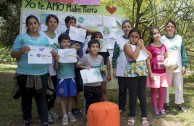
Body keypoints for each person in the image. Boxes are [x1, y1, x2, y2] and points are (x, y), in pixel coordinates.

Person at [11, 15, 53, 126]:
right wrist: (20, 50)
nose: (33, 25)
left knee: (41, 98)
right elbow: (12, 53)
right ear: (27, 26)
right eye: (30, 23)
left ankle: (44, 121)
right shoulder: (21, 38)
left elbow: (49, 51)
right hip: (24, 73)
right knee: (26, 97)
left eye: (35, 23)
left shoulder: (44, 38)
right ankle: (27, 119)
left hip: (41, 73)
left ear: (39, 25)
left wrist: (52, 53)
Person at [61, 15, 94, 117]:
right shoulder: (64, 35)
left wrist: (82, 28)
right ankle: (67, 109)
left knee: (78, 87)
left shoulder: (79, 33)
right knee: (67, 87)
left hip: (79, 64)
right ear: (66, 24)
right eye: (70, 23)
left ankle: (76, 107)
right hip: (68, 66)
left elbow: (94, 32)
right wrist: (71, 47)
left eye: (74, 23)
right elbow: (61, 49)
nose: (73, 25)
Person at [124, 29, 151, 126]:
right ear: (129, 37)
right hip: (131, 75)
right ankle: (132, 116)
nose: (134, 39)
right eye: (132, 36)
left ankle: (144, 117)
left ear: (139, 38)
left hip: (142, 74)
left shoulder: (141, 46)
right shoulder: (127, 45)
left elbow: (150, 56)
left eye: (136, 37)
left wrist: (142, 46)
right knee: (133, 96)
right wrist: (139, 46)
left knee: (142, 96)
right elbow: (133, 57)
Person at [160, 19, 188, 112]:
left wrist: (184, 65)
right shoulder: (162, 39)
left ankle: (179, 104)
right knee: (166, 86)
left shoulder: (180, 38)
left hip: (178, 66)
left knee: (179, 86)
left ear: (175, 29)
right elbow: (159, 53)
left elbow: (183, 52)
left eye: (172, 27)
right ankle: (166, 104)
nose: (170, 28)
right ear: (165, 28)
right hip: (167, 67)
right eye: (168, 27)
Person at [146, 27, 171, 117]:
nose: (157, 35)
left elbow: (166, 58)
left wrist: (170, 63)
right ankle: (155, 108)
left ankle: (161, 107)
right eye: (155, 33)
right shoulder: (150, 47)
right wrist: (150, 73)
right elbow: (148, 61)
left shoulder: (164, 46)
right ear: (152, 36)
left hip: (163, 72)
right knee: (154, 91)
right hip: (154, 73)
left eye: (158, 33)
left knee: (162, 91)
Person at [77, 39, 104, 122]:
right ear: (89, 48)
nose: (95, 48)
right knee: (89, 102)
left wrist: (102, 70)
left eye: (97, 47)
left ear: (99, 48)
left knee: (97, 101)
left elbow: (102, 68)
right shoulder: (85, 56)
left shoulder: (101, 57)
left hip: (98, 84)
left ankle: (96, 117)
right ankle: (89, 119)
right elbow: (78, 65)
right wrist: (86, 67)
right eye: (93, 47)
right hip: (88, 85)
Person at [54, 34, 77, 125]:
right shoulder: (57, 52)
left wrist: (76, 59)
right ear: (60, 43)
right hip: (61, 78)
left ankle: (69, 112)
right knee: (63, 98)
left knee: (71, 97)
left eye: (68, 41)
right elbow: (55, 68)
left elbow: (76, 66)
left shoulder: (72, 52)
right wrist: (56, 60)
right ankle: (64, 115)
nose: (66, 43)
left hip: (71, 77)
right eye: (64, 41)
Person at [41, 14, 59, 123]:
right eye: (50, 21)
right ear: (47, 23)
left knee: (54, 91)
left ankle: (50, 109)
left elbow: (62, 49)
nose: (52, 23)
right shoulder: (41, 36)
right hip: (43, 69)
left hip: (55, 68)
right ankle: (45, 113)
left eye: (55, 22)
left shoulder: (58, 36)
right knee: (44, 92)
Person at [112, 20, 132, 112]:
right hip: (121, 69)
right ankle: (121, 107)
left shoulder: (135, 38)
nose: (127, 28)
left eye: (128, 26)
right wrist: (114, 69)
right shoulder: (118, 40)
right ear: (122, 28)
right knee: (122, 90)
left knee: (132, 90)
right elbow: (115, 56)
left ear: (131, 28)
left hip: (133, 69)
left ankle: (132, 107)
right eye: (125, 27)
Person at [89, 31, 111, 101]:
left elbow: (107, 61)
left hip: (102, 68)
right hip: (93, 69)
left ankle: (105, 105)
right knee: (94, 90)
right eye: (96, 37)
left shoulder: (105, 49)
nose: (98, 39)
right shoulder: (89, 49)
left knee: (103, 90)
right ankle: (94, 105)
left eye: (100, 37)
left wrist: (109, 73)